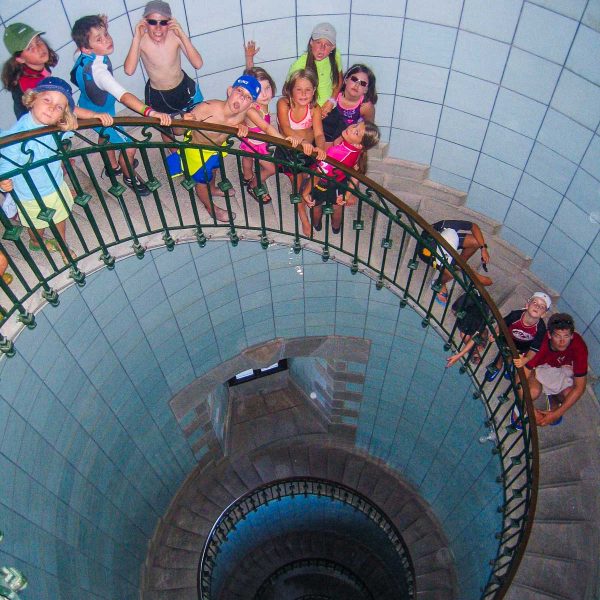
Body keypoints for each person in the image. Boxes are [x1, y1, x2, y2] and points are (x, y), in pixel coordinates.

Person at [70, 15, 171, 196]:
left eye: (106, 34)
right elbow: (123, 97)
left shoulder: (81, 55)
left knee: (106, 135)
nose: (107, 40)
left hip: (88, 106)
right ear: (86, 48)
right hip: (102, 115)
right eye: (99, 39)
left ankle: (112, 167)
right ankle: (129, 177)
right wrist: (150, 112)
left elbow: (83, 48)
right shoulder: (100, 72)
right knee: (130, 146)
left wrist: (99, 29)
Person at [167, 74, 274, 222]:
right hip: (197, 151)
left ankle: (213, 189)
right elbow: (176, 132)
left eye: (248, 97)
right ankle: (211, 208)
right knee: (201, 182)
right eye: (239, 92)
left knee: (214, 170)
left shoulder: (242, 114)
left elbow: (259, 125)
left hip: (217, 149)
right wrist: (183, 123)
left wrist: (242, 126)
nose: (242, 98)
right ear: (230, 91)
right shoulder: (206, 108)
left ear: (250, 105)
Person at [0, 77, 79, 264]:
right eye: (47, 100)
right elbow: (6, 163)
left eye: (59, 107)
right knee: (36, 225)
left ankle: (62, 244)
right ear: (32, 99)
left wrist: (72, 123)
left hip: (55, 185)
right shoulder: (17, 136)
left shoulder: (55, 127)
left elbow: (68, 131)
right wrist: (4, 180)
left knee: (60, 218)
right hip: (30, 194)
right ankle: (36, 241)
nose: (52, 108)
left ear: (62, 115)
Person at [2, 23, 114, 125]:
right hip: (36, 132)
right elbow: (64, 105)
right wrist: (93, 115)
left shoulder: (37, 67)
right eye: (30, 48)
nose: (39, 48)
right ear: (20, 59)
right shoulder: (29, 83)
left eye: (38, 41)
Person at [124, 1, 203, 143]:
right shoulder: (141, 41)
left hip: (183, 88)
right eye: (153, 22)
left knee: (195, 121)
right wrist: (136, 37)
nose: (158, 28)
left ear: (170, 23)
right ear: (145, 23)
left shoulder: (175, 36)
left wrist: (182, 35)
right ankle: (175, 158)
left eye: (163, 22)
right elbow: (129, 70)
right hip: (159, 95)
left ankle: (199, 151)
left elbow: (198, 63)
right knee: (166, 130)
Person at [239, 66, 308, 204]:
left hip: (259, 140)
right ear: (250, 91)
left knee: (248, 161)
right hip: (252, 144)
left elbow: (248, 78)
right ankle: (252, 184)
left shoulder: (261, 101)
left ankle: (247, 176)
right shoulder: (253, 110)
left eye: (267, 88)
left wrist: (249, 59)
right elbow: (266, 126)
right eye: (259, 90)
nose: (264, 94)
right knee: (271, 168)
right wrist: (283, 140)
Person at [302, 120, 380, 236]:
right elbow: (355, 174)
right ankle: (336, 227)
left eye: (357, 132)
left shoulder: (337, 152)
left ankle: (316, 225)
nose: (352, 128)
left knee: (315, 205)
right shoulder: (358, 151)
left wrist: (305, 192)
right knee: (337, 207)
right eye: (356, 125)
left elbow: (318, 175)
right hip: (339, 181)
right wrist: (347, 195)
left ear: (359, 144)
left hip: (321, 184)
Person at [277, 69, 326, 233]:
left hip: (307, 151)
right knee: (297, 186)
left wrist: (320, 147)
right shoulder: (284, 103)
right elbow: (285, 128)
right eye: (299, 89)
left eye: (308, 90)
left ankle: (308, 198)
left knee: (318, 175)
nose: (304, 94)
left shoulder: (315, 109)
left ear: (314, 91)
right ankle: (304, 219)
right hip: (290, 152)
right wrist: (303, 139)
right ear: (290, 90)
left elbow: (319, 133)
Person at [521, 313, 588, 427]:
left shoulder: (578, 345)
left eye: (566, 336)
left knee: (569, 394)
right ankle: (520, 410)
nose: (562, 341)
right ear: (549, 335)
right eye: (557, 336)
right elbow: (520, 378)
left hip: (561, 368)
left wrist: (556, 414)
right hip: (537, 368)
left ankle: (553, 398)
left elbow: (580, 387)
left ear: (572, 335)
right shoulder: (540, 344)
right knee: (533, 392)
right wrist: (531, 409)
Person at [418, 219, 493, 306]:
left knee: (476, 242)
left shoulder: (448, 226)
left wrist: (483, 248)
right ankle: (439, 283)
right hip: (429, 253)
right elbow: (487, 281)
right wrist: (468, 271)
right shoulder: (439, 256)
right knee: (450, 274)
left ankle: (460, 262)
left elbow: (473, 226)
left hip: (446, 239)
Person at [484, 292, 550, 382]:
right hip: (507, 340)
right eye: (535, 303)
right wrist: (496, 333)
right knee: (504, 353)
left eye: (542, 306)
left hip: (522, 347)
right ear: (527, 305)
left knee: (512, 355)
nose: (537, 306)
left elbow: (534, 348)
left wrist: (526, 359)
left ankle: (509, 362)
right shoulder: (515, 315)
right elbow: (502, 324)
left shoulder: (541, 328)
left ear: (543, 314)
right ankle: (498, 365)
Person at [287, 23, 343, 117]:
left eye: (327, 44)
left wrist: (331, 101)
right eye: (318, 42)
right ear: (311, 42)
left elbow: (339, 80)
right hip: (309, 112)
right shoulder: (300, 64)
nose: (322, 48)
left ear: (333, 48)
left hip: (330, 108)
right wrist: (310, 111)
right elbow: (288, 91)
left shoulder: (335, 55)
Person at [322, 64, 377, 143]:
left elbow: (368, 133)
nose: (357, 85)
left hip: (346, 142)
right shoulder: (333, 96)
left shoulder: (366, 107)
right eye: (354, 79)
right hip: (323, 136)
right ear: (346, 80)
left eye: (363, 83)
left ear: (366, 90)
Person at [445, 291, 491, 368]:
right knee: (455, 310)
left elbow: (474, 337)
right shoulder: (480, 344)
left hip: (474, 304)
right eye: (477, 357)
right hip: (480, 306)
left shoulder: (466, 334)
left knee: (455, 310)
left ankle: (475, 292)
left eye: (474, 357)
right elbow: (483, 331)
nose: (475, 353)